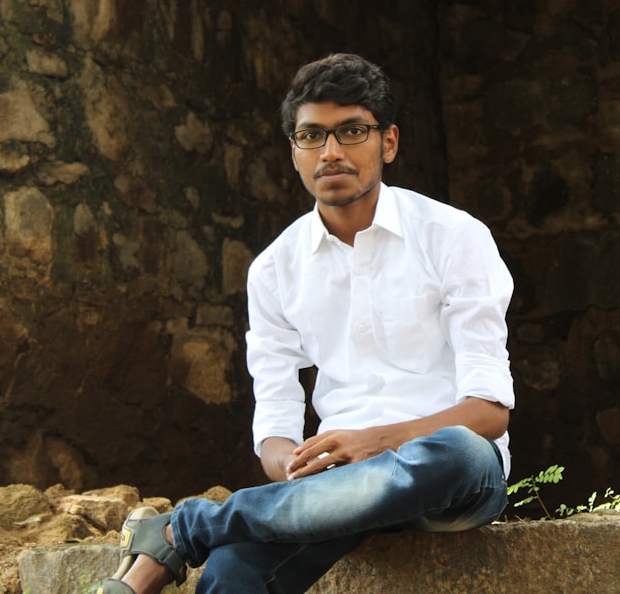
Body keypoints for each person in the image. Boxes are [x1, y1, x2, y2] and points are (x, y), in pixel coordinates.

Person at [98, 53, 515, 594]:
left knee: (458, 451)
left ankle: (187, 528)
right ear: (294, 151)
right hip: (332, 489)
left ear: (388, 142)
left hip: (449, 480)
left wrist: (373, 443)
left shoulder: (454, 237)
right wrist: (298, 468)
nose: (332, 152)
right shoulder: (274, 268)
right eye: (312, 136)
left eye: (351, 131)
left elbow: (488, 412)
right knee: (232, 572)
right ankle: (204, 532)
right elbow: (274, 429)